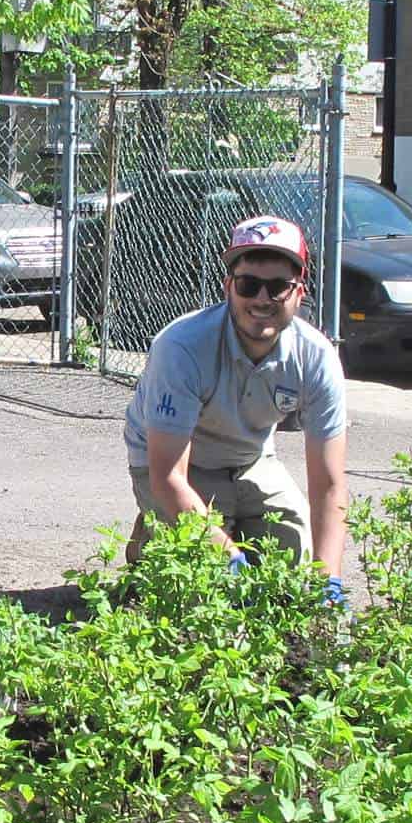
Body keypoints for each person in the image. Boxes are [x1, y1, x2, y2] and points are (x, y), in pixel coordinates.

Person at [121, 214, 349, 603]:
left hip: (252, 458)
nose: (262, 298)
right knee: (201, 590)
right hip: (175, 464)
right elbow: (168, 477)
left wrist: (328, 582)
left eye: (278, 286)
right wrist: (228, 558)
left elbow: (329, 485)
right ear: (229, 287)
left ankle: (230, 524)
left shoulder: (316, 357)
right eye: (248, 284)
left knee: (291, 570)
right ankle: (150, 542)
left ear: (299, 293)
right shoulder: (182, 347)